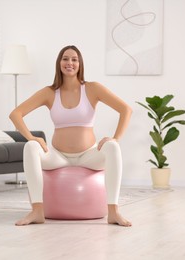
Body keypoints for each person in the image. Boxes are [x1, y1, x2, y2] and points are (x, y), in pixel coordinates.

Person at [9, 45, 133, 226]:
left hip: (88, 156)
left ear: (80, 64)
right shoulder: (49, 92)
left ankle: (113, 211)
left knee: (113, 147)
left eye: (74, 59)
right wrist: (31, 137)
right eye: (65, 59)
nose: (70, 63)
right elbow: (16, 114)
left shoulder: (92, 89)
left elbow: (126, 110)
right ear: (59, 63)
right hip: (59, 156)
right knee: (30, 147)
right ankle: (37, 211)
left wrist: (115, 138)